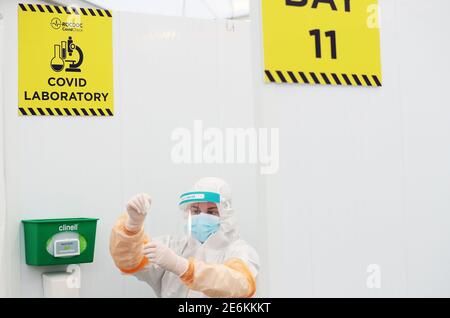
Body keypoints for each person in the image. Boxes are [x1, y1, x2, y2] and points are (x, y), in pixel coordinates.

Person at [109, 177, 259, 298]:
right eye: (195, 210)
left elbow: (239, 284)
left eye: (211, 212)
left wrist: (181, 266)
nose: (201, 217)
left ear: (225, 214)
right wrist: (132, 225)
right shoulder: (175, 247)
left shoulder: (239, 252)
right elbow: (129, 261)